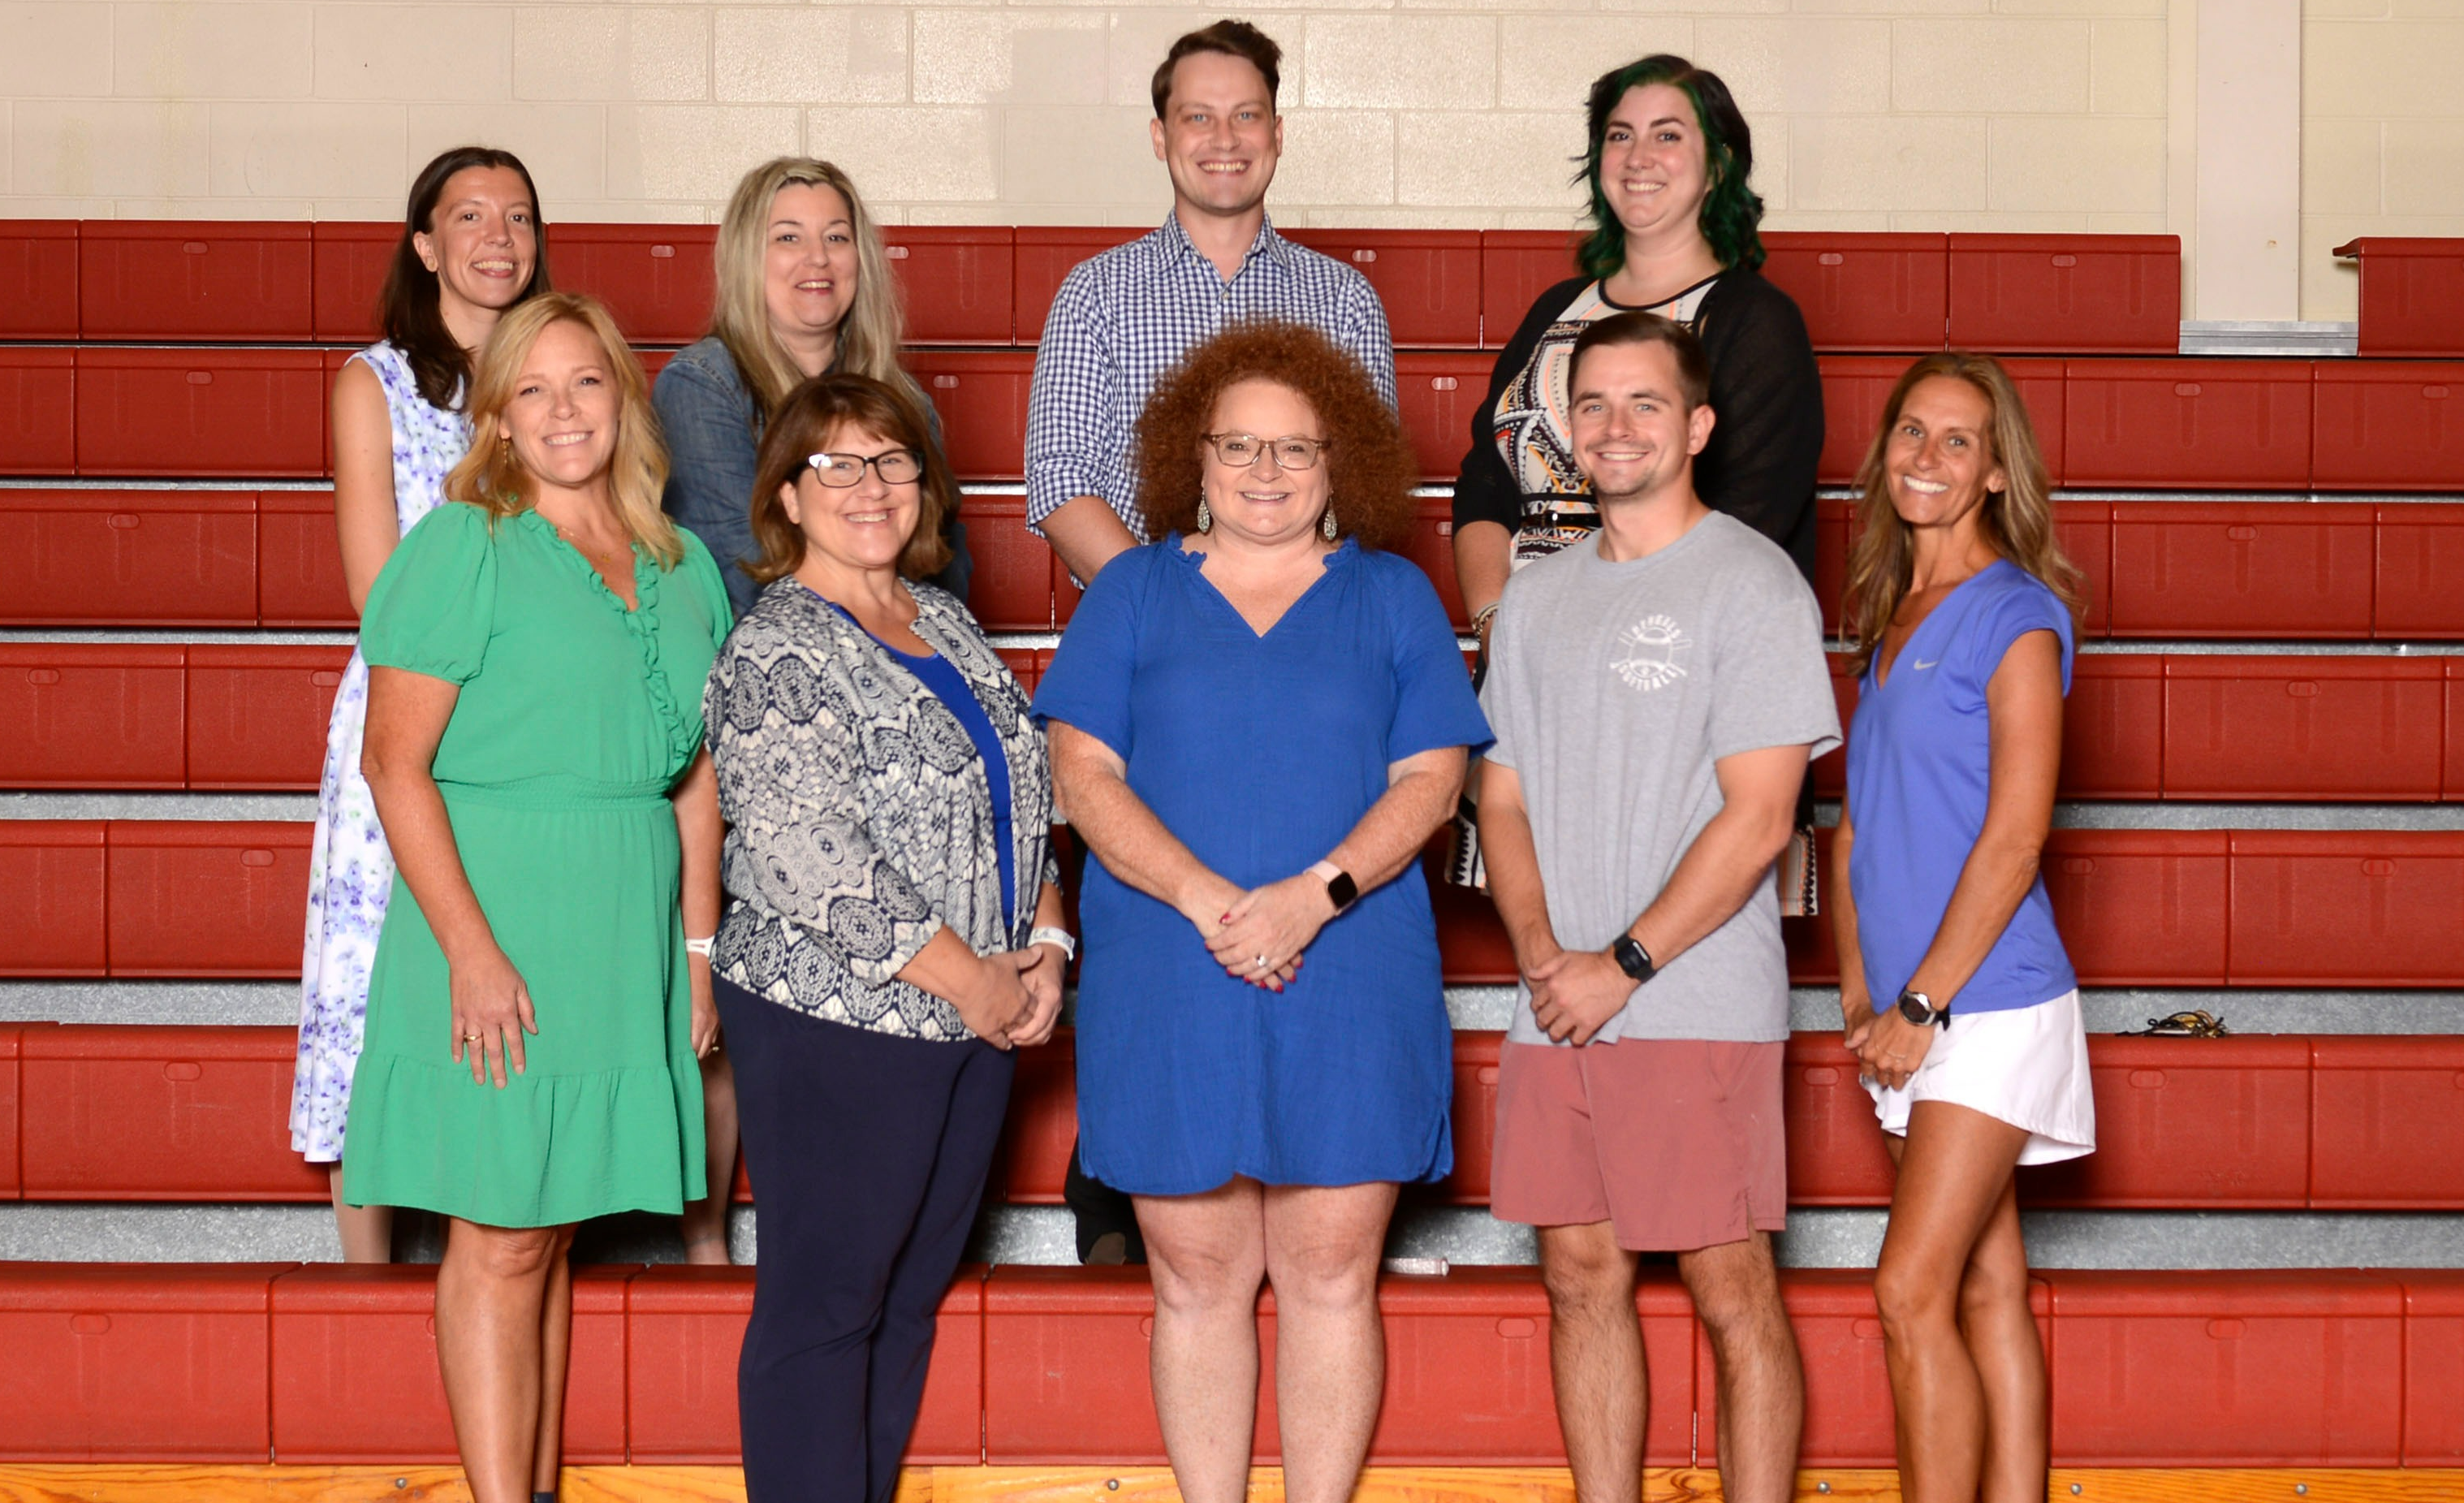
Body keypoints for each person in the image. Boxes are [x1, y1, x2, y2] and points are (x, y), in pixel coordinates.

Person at [1035, 321, 1488, 1503]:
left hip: (1349, 961)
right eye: (1239, 445)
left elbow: (1431, 781)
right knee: (1192, 1277)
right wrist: (1211, 902)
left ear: (1342, 463)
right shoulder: (1131, 590)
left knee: (1331, 1274)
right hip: (1172, 959)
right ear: (1195, 455)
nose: (1266, 470)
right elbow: (1081, 776)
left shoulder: (1392, 596)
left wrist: (1309, 896)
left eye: (1296, 448)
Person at [343, 293, 731, 1503]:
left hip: (624, 926)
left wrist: (700, 951)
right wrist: (469, 948)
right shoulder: (463, 544)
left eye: (587, 385)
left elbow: (698, 775)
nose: (564, 412)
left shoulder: (683, 562)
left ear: (624, 399)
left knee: (551, 1231)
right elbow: (390, 761)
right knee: (503, 1232)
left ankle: (536, 1486)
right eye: (533, 391)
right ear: (501, 420)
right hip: (499, 915)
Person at [1024, 14, 1399, 1264]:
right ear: (1158, 135)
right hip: (1151, 676)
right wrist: (1170, 601)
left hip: (1307, 667)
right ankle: (1121, 1192)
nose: (1222, 138)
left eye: (1246, 115)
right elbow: (1061, 479)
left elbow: (1361, 488)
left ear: (1277, 135)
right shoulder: (1096, 292)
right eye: (1198, 115)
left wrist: (1264, 597)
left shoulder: (1342, 297)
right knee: (1157, 958)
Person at [1476, 313, 1838, 1503]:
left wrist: (1618, 962)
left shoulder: (1749, 578)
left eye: (1642, 404)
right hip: (1558, 1000)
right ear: (1564, 431)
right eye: (1591, 405)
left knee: (1729, 1284)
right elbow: (1501, 796)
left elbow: (1759, 815)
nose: (1613, 426)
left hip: (1687, 999)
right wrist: (1541, 956)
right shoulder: (1534, 598)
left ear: (1694, 425)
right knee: (1578, 1274)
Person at [702, 374, 1065, 1503]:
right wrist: (975, 981)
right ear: (789, 496)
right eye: (837, 465)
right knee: (824, 1304)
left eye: (892, 461)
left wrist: (1047, 945)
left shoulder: (940, 618)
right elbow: (811, 854)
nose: (871, 485)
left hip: (969, 1016)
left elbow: (1021, 791)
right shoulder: (773, 649)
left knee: (904, 1298)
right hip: (839, 1021)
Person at [654, 155, 968, 1261]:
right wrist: (845, 687)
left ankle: (866, 1226)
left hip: (881, 723)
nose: (815, 259)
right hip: (754, 722)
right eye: (787, 236)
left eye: (835, 235)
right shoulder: (699, 383)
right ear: (747, 256)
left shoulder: (907, 399)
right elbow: (746, 562)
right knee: (743, 990)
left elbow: (936, 573)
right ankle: (708, 1244)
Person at [1447, 54, 1823, 892]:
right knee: (1547, 937)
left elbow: (1746, 528)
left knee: (1660, 936)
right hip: (1532, 668)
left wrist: (1590, 638)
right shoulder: (1555, 310)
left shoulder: (1754, 321)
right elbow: (1484, 485)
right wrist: (1501, 625)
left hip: (1667, 683)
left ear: (1716, 163)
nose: (1637, 155)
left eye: (1666, 134)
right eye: (1618, 135)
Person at [1830, 352, 2094, 1503]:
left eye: (1956, 441)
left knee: (1906, 1290)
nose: (1926, 458)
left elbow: (2013, 837)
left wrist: (1919, 1001)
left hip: (1981, 1002)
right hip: (1901, 1007)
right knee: (1983, 1285)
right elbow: (1852, 830)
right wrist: (1854, 987)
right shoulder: (1887, 614)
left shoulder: (2017, 615)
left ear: (1994, 472)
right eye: (1910, 433)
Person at [291, 145, 548, 1264]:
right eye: (471, 216)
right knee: (372, 973)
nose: (498, 237)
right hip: (414, 717)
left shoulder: (563, 377)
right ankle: (363, 1277)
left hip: (533, 729)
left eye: (519, 217)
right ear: (426, 243)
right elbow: (376, 591)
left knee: (512, 973)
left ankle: (496, 1249)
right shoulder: (375, 381)